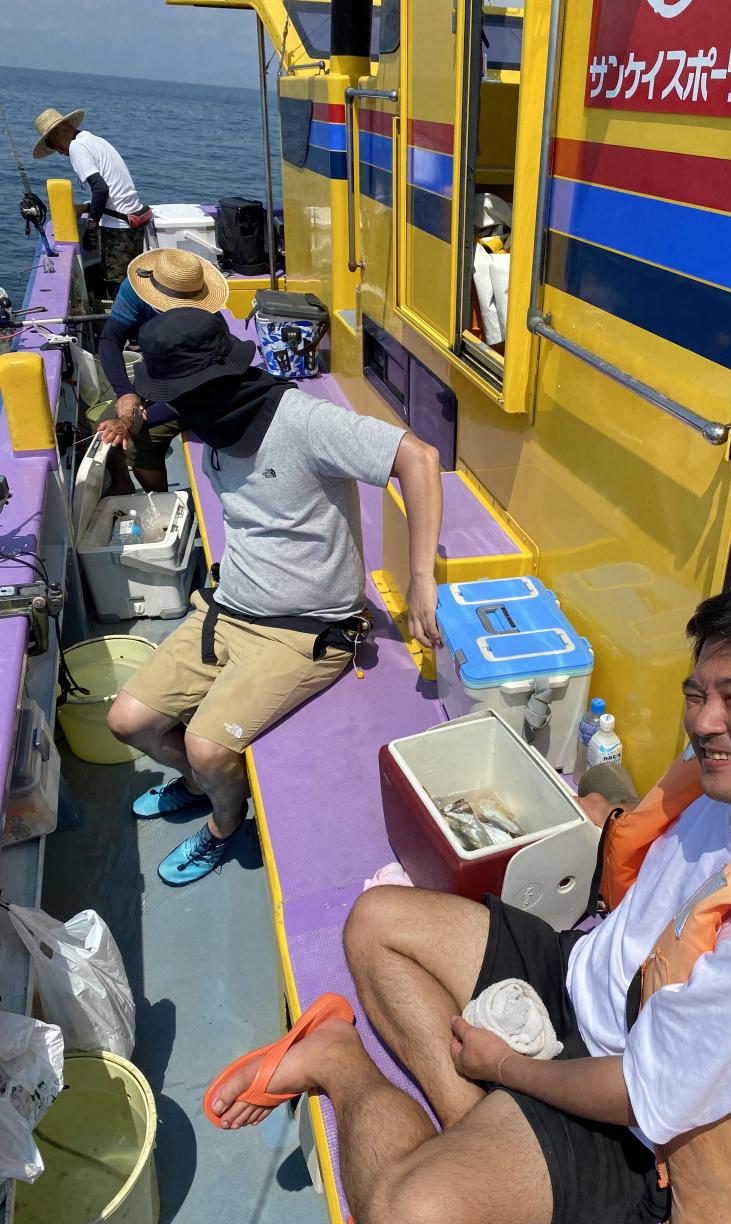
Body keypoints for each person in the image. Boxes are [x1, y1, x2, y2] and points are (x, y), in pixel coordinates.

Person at [203, 580, 731, 1224]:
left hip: (626, 1119)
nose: (704, 723)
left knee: (408, 1223)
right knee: (375, 922)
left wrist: (505, 1067)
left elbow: (641, 1095)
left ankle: (339, 1062)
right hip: (579, 975)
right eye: (697, 694)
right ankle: (481, 1129)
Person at [106, 307, 443, 887]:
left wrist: (421, 579)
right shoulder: (211, 422)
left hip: (306, 629)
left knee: (207, 747)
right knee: (126, 721)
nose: (173, 407)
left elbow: (419, 457)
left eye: (175, 395)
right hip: (228, 607)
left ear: (209, 384)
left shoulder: (303, 421)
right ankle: (203, 786)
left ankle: (224, 821)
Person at [96, 247, 229, 492]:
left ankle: (158, 498)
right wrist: (125, 392)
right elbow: (109, 339)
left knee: (138, 443)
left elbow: (194, 393)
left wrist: (131, 421)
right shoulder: (135, 289)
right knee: (104, 425)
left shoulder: (205, 324)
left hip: (203, 390)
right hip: (161, 374)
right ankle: (122, 484)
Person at [32, 106, 148, 295]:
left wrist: (91, 230)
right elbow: (114, 191)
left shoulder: (76, 147)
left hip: (118, 229)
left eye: (52, 145)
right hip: (133, 220)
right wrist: (85, 207)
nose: (58, 152)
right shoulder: (94, 140)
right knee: (131, 283)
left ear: (56, 134)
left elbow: (101, 189)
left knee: (117, 287)